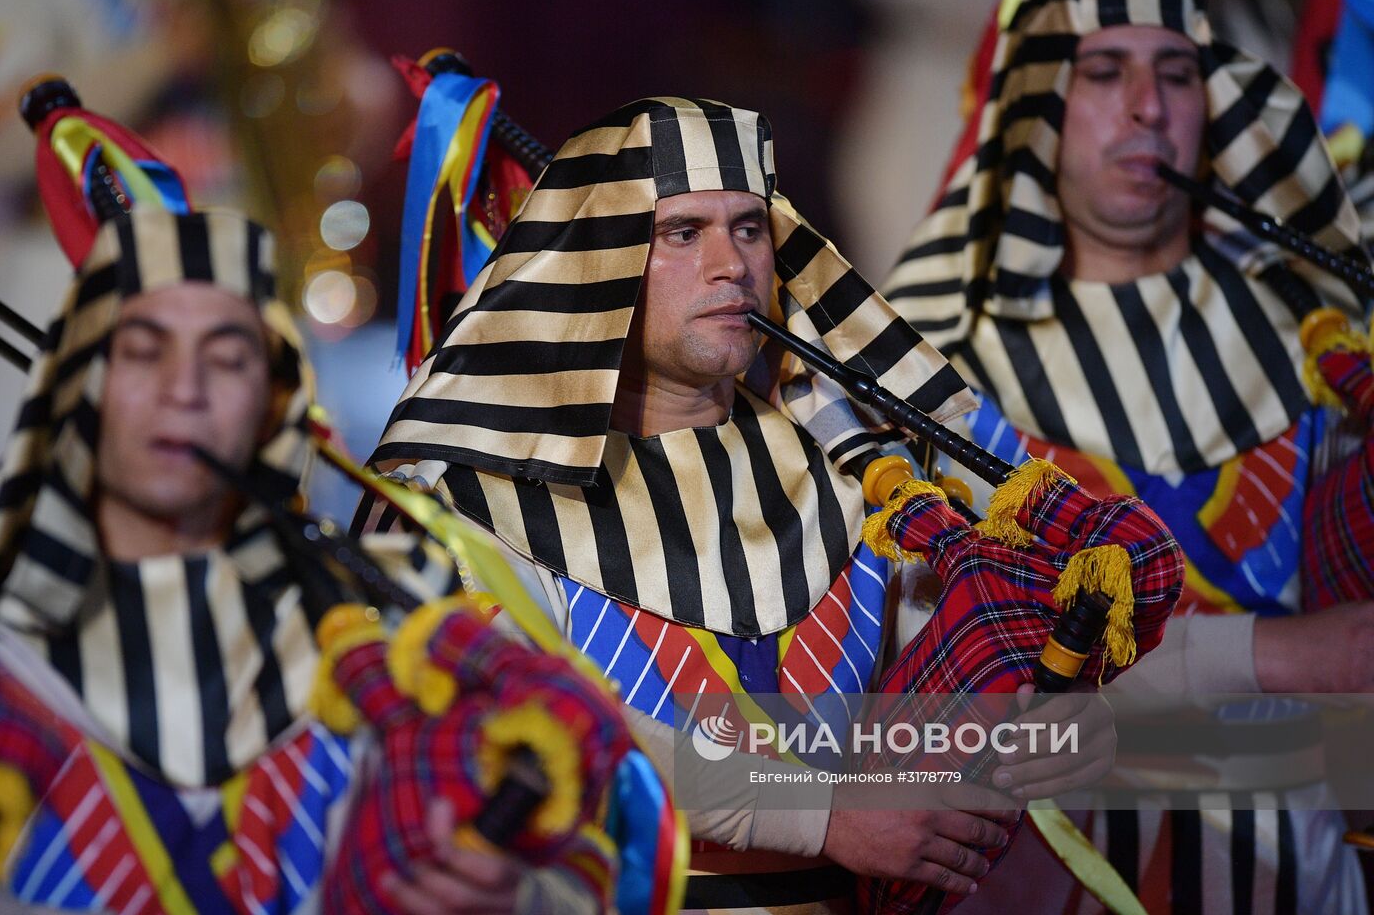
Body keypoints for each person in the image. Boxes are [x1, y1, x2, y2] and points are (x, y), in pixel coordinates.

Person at [359, 96, 1186, 913]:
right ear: (593, 257)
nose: (733, 263)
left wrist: (1060, 733)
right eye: (682, 232)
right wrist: (823, 814)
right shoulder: (464, 496)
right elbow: (519, 729)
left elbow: (950, 713)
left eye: (749, 228)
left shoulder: (861, 477)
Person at [882, 0, 1374, 914]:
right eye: (1104, 73)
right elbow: (941, 678)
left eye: (1179, 73)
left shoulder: (1320, 341)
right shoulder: (935, 363)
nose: (1149, 106)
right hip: (1050, 872)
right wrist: (1279, 656)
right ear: (1036, 105)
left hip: (1308, 870)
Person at [0, 205, 619, 914]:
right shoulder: (2, 663)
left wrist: (521, 899)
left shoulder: (402, 643)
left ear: (272, 404)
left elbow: (602, 857)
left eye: (226, 358)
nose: (184, 389)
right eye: (141, 351)